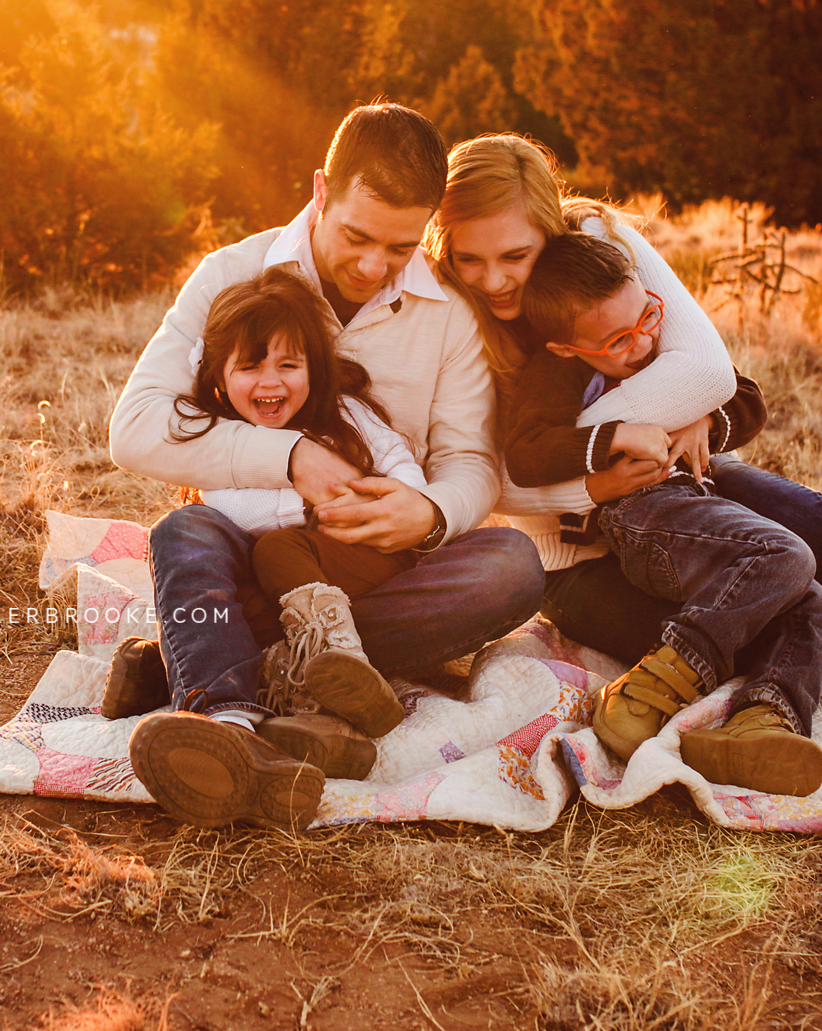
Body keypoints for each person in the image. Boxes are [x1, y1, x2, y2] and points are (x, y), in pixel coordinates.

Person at [428, 136, 822, 769]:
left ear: (550, 230)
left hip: (671, 487)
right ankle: (756, 708)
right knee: (785, 605)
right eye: (470, 260)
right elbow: (506, 471)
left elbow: (718, 379)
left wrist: (691, 416)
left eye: (515, 254)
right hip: (575, 545)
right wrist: (607, 463)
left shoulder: (597, 272)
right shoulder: (454, 317)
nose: (493, 280)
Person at [107, 105, 543, 831]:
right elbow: (135, 429)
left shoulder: (448, 314)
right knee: (184, 530)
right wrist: (291, 455)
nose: (374, 265)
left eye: (400, 246)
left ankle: (219, 662)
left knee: (513, 564)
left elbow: (470, 460)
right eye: (357, 235)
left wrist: (431, 511)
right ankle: (232, 723)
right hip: (247, 556)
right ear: (320, 191)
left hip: (367, 564)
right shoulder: (234, 275)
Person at [503, 231, 822, 793]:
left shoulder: (664, 350)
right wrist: (616, 436)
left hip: (694, 512)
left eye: (648, 319)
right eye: (618, 341)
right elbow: (525, 453)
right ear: (566, 347)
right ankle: (649, 688)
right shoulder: (556, 374)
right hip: (640, 518)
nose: (640, 344)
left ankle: (762, 724)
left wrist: (706, 421)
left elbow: (747, 397)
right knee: (783, 553)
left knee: (820, 612)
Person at [144, 265, 422, 772]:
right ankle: (231, 720)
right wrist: (306, 503)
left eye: (288, 365)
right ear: (220, 382)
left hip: (358, 563)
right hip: (270, 593)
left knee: (276, 551)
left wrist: (403, 498)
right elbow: (227, 507)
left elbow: (398, 459)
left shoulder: (346, 415)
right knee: (197, 546)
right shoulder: (222, 438)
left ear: (313, 368)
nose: (270, 382)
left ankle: (341, 663)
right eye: (250, 368)